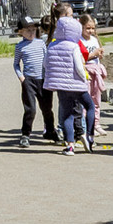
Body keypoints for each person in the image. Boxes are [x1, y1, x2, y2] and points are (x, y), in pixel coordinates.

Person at [43, 14, 94, 155]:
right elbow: (79, 67)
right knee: (89, 106)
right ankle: (90, 135)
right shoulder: (74, 47)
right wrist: (85, 78)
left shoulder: (52, 45)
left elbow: (45, 64)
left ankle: (70, 145)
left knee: (67, 115)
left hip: (61, 87)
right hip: (77, 85)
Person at [12, 19, 55, 147]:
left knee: (47, 108)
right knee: (30, 109)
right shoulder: (20, 47)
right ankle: (25, 134)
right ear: (20, 32)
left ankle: (50, 131)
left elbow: (47, 59)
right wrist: (21, 77)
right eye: (28, 30)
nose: (31, 32)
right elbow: (16, 64)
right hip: (29, 81)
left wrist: (50, 74)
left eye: (33, 30)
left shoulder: (41, 43)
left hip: (43, 80)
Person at [80, 14, 106, 140]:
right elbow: (81, 58)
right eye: (88, 28)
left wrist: (99, 55)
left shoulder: (94, 40)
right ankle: (87, 125)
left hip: (96, 70)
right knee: (87, 99)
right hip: (86, 71)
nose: (90, 31)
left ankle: (96, 123)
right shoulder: (79, 41)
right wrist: (93, 54)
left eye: (92, 28)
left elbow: (97, 55)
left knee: (96, 98)